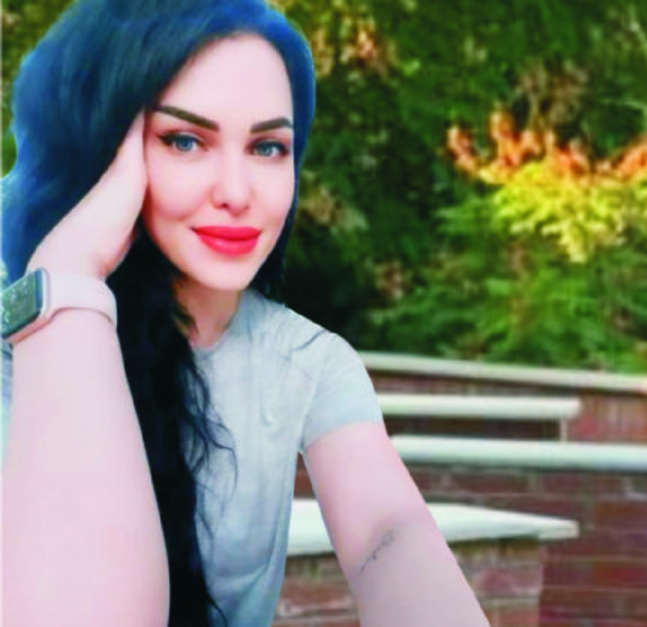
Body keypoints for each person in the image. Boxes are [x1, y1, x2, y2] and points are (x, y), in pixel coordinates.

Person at [0, 1, 490, 626]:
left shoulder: (307, 363)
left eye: (267, 147)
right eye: (185, 141)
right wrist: (70, 271)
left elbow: (387, 532)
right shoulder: (29, 339)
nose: (236, 193)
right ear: (102, 149)